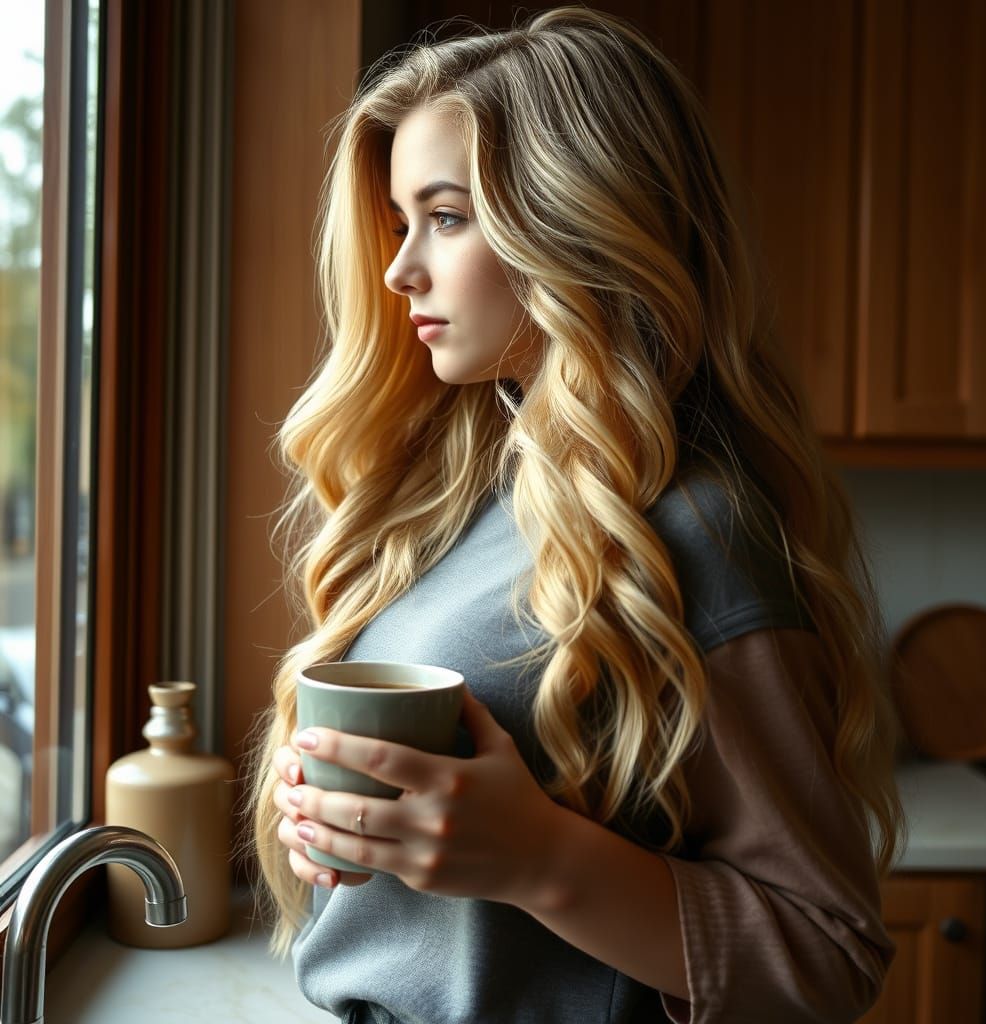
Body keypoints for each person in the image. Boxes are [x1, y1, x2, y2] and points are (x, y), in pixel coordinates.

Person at [238, 6, 907, 1022]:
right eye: (399, 222)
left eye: (447, 217)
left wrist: (538, 856)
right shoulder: (456, 497)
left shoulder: (697, 530)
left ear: (576, 223)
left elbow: (827, 954)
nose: (398, 269)